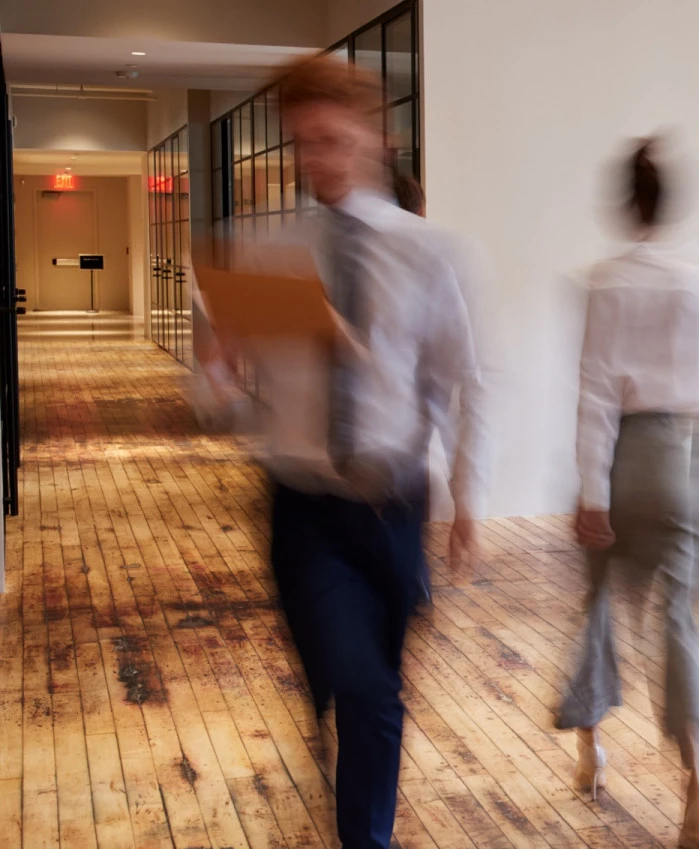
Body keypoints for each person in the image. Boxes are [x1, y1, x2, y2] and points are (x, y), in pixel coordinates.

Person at [206, 56, 489, 848]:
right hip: (303, 504)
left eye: (330, 140)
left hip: (395, 503)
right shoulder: (267, 251)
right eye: (301, 144)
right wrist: (219, 369)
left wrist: (467, 496)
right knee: (361, 688)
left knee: (373, 689)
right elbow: (218, 392)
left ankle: (352, 778)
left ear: (375, 136)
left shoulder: (430, 253)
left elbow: (460, 382)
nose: (315, 160)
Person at [561, 139, 699, 847]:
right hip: (686, 458)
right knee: (679, 622)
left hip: (628, 455)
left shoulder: (605, 280)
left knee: (598, 603)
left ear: (626, 203)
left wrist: (590, 489)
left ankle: (590, 747)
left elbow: (597, 390)